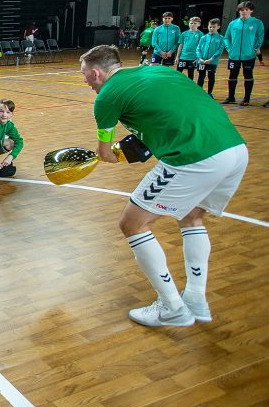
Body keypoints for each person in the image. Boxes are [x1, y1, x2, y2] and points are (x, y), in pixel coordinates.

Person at [80, 45, 248, 327]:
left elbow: (105, 153)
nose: (85, 80)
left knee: (132, 223)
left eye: (84, 75)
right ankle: (196, 299)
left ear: (96, 73)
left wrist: (115, 153)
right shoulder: (158, 70)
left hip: (193, 157)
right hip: (234, 150)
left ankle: (171, 306)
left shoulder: (106, 96)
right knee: (192, 216)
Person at [222, 1, 265, 106]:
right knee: (232, 75)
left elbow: (260, 37)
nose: (244, 12)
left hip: (249, 55)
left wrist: (254, 48)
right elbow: (227, 37)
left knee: (248, 75)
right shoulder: (233, 24)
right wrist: (229, 48)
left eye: (246, 9)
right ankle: (231, 97)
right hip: (234, 55)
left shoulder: (257, 23)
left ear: (251, 10)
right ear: (239, 11)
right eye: (242, 10)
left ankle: (246, 98)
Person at [196, 18, 224, 98]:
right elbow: (198, 49)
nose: (211, 28)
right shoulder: (203, 38)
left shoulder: (220, 38)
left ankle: (209, 93)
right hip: (202, 61)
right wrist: (200, 58)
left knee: (211, 76)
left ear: (218, 27)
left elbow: (220, 50)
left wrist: (212, 59)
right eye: (210, 26)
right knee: (201, 76)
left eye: (213, 27)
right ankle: (199, 92)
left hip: (212, 62)